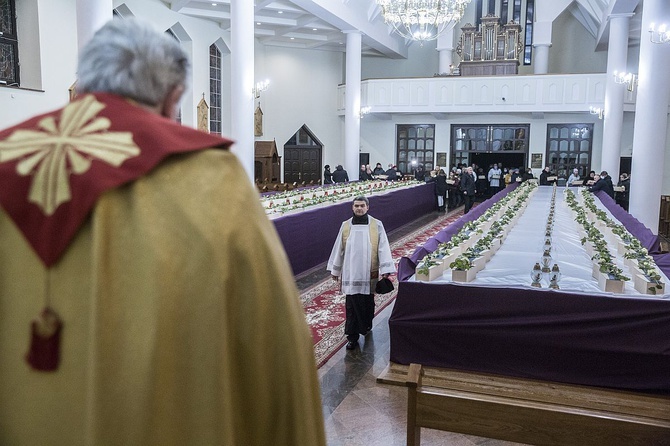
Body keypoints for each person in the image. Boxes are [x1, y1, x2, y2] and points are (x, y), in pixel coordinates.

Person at [0, 19, 326, 446]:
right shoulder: (209, 175)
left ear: (83, 83)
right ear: (172, 96)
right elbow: (273, 345)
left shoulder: (7, 155)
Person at [327, 196, 395, 350]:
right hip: (350, 273)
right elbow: (339, 248)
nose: (359, 208)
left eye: (362, 206)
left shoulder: (376, 225)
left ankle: (366, 326)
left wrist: (385, 270)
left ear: (367, 207)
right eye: (356, 206)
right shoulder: (345, 226)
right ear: (352, 207)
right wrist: (336, 269)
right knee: (351, 306)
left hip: (368, 273)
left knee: (366, 303)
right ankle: (352, 336)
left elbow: (383, 247)